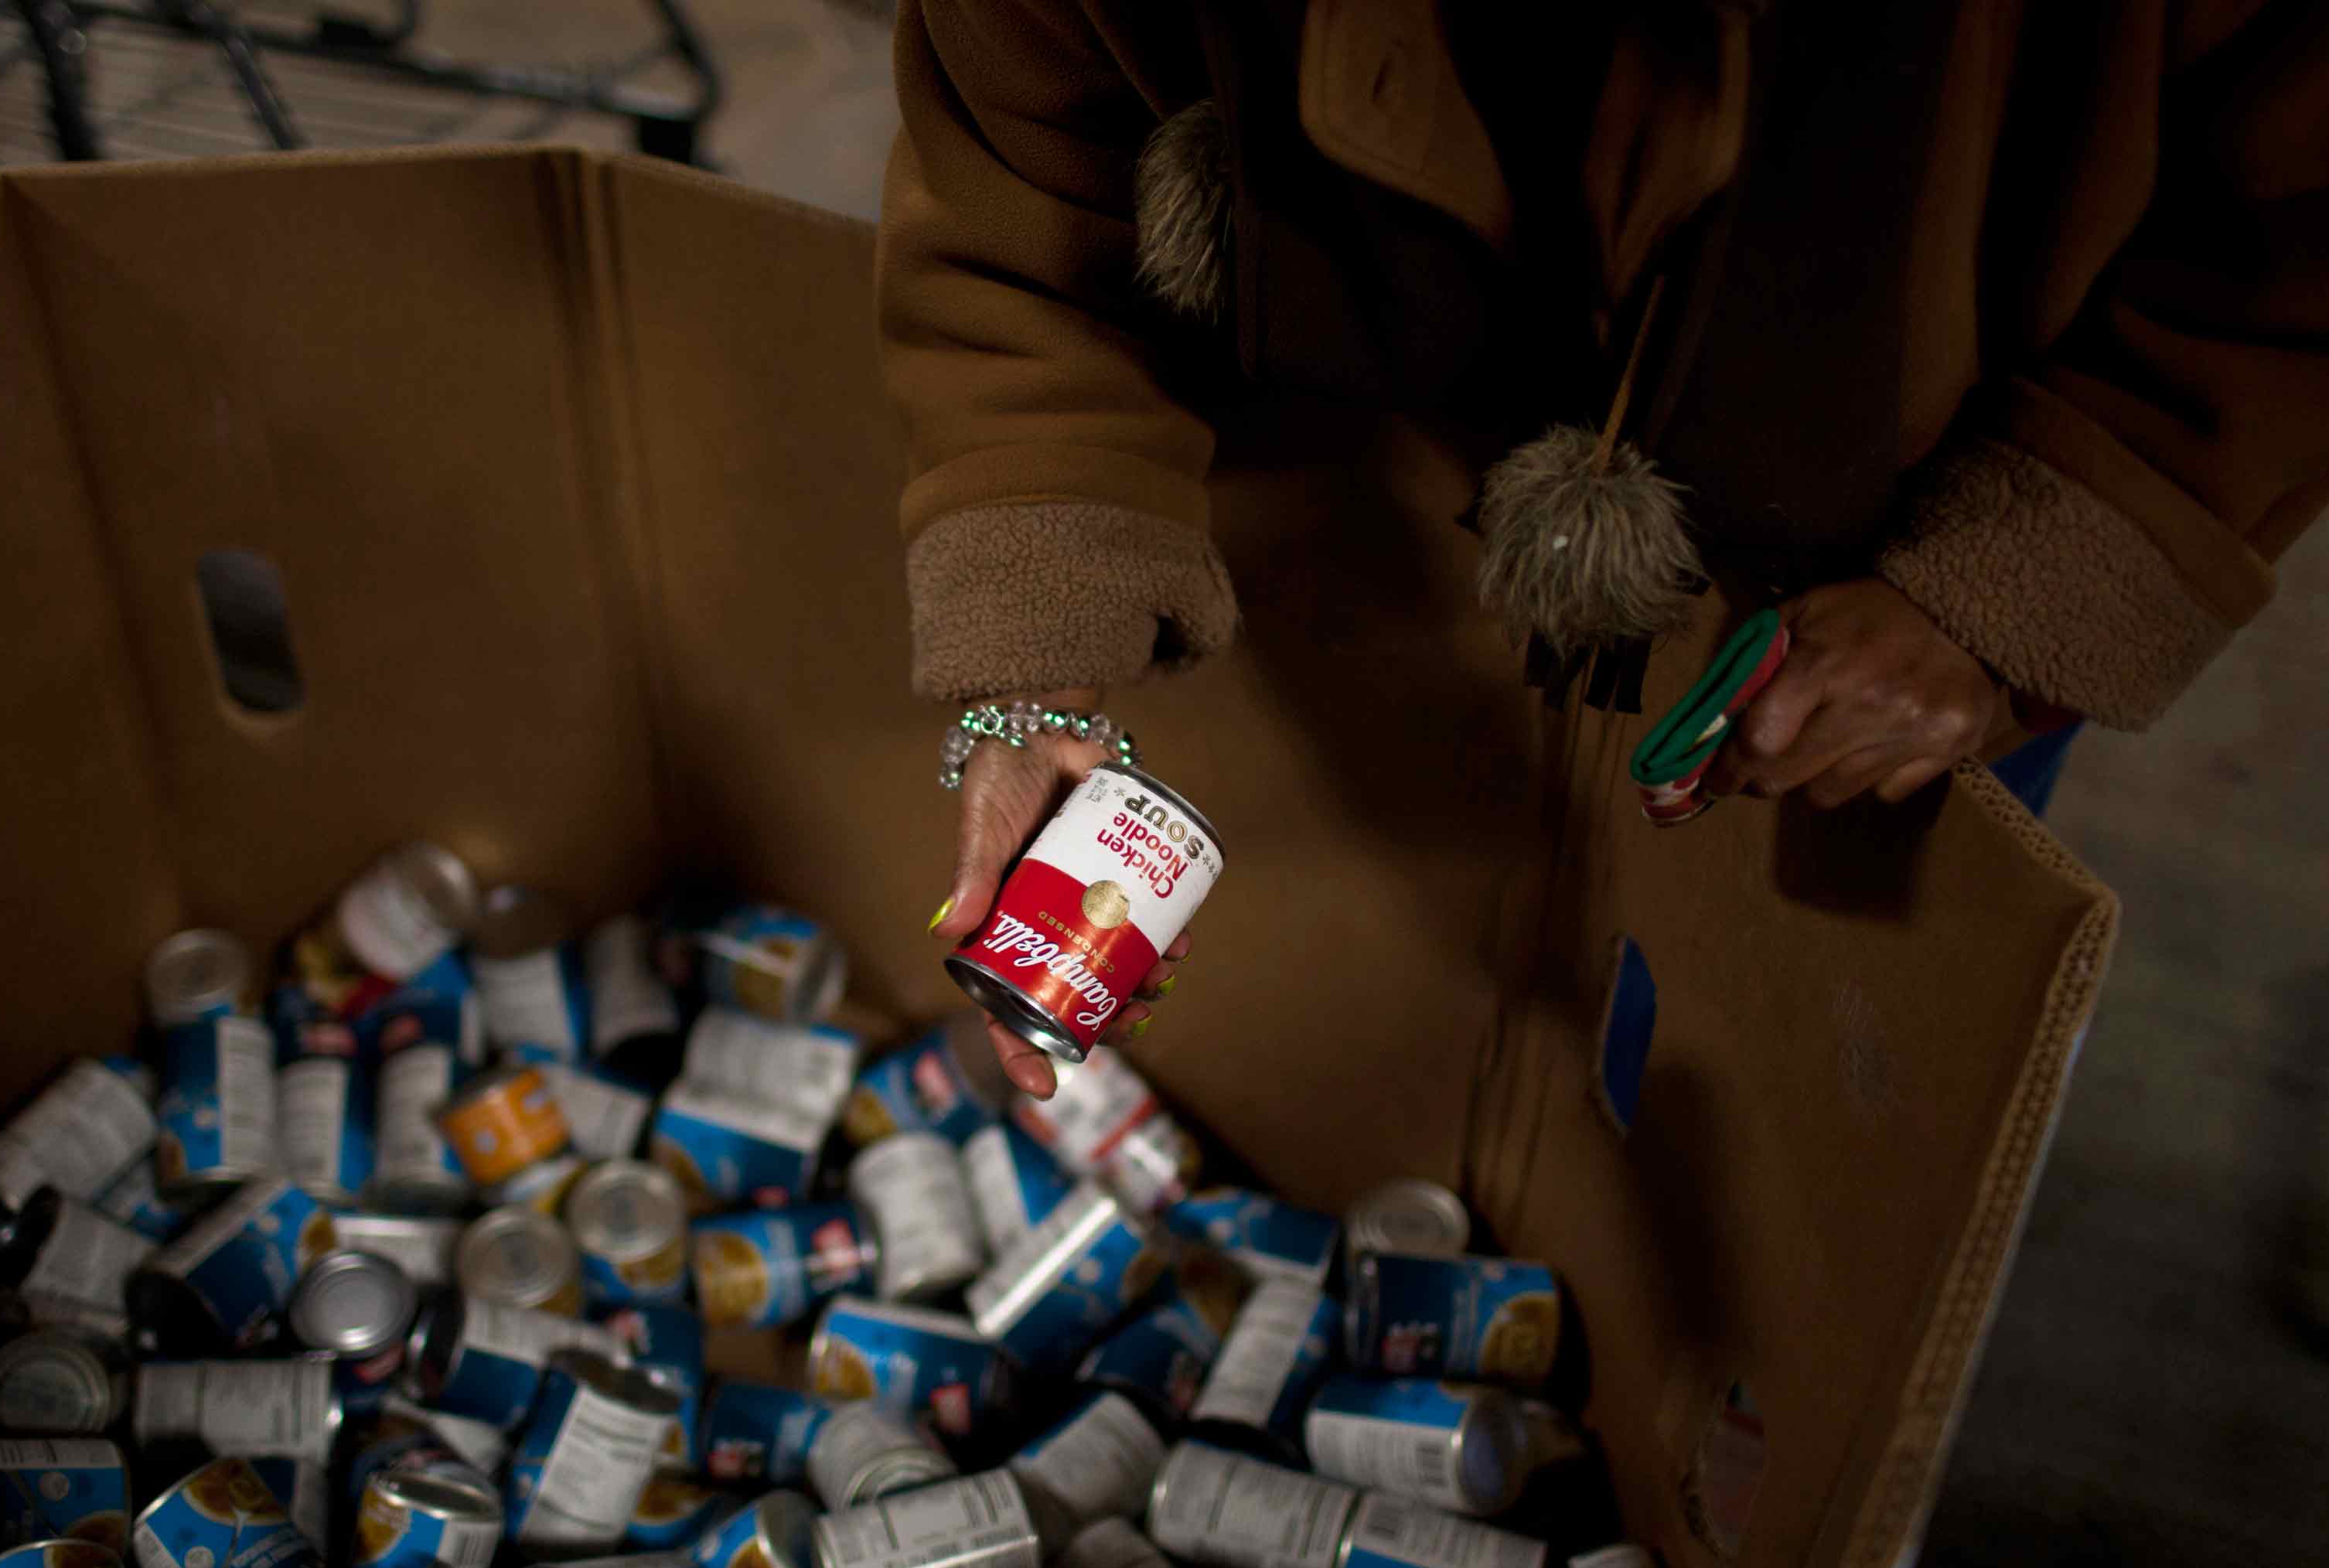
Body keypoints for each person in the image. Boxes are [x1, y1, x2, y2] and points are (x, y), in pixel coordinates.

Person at [877, 0, 2327, 1100]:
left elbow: (2292, 230)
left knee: (1798, 1099)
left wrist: (2004, 594)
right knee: (1483, 1065)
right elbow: (1028, 166)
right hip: (1372, 516)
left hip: (1882, 592)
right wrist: (1035, 671)